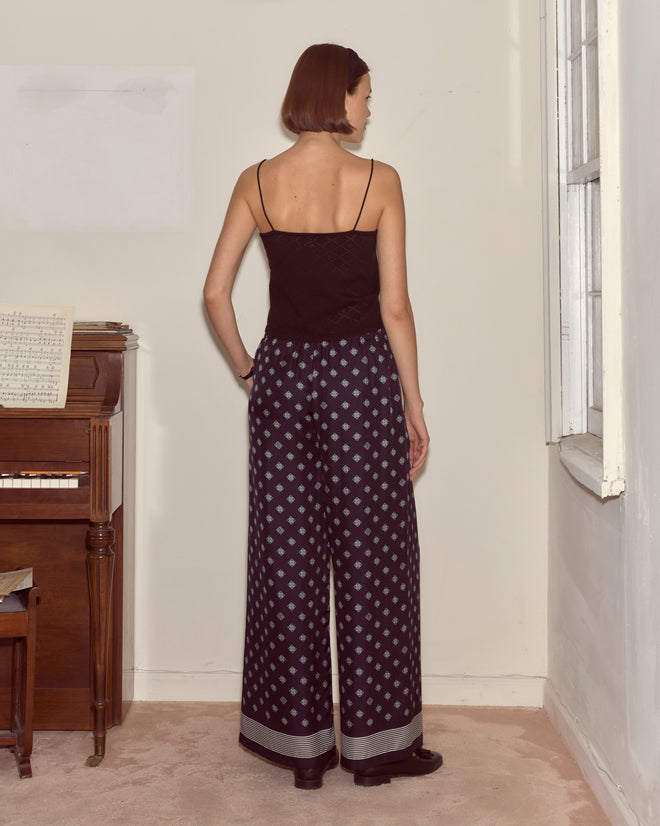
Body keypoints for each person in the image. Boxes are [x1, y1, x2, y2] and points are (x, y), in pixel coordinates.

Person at [203, 43, 442, 790]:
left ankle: (301, 750)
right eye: (365, 94)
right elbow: (395, 306)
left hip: (283, 377)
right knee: (375, 557)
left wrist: (249, 369)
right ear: (338, 96)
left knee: (287, 556)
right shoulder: (379, 181)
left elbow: (214, 294)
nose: (369, 108)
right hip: (360, 379)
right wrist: (413, 402)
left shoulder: (256, 181)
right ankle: (376, 749)